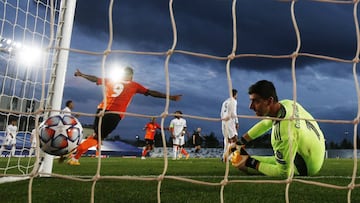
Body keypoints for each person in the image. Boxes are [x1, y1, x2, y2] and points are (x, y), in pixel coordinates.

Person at [67, 66, 182, 165]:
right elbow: (151, 93)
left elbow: (95, 79)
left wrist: (82, 75)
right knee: (98, 138)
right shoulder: (134, 85)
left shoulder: (111, 80)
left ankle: (75, 158)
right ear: (131, 76)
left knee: (96, 135)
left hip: (100, 110)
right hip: (114, 114)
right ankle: (72, 150)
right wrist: (170, 97)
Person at [229, 80, 325, 177]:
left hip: (308, 166)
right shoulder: (287, 104)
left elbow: (284, 173)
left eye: (256, 101)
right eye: (251, 101)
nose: (251, 106)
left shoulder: (282, 134)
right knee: (246, 158)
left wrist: (250, 163)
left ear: (270, 101)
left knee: (246, 163)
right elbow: (266, 123)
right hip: (317, 146)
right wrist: (240, 142)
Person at [220, 89, 239, 162]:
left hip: (223, 121)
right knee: (234, 138)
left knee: (226, 139)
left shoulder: (225, 102)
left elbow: (221, 113)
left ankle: (225, 157)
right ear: (235, 94)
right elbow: (234, 112)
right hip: (230, 120)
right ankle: (231, 156)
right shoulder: (233, 101)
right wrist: (236, 122)